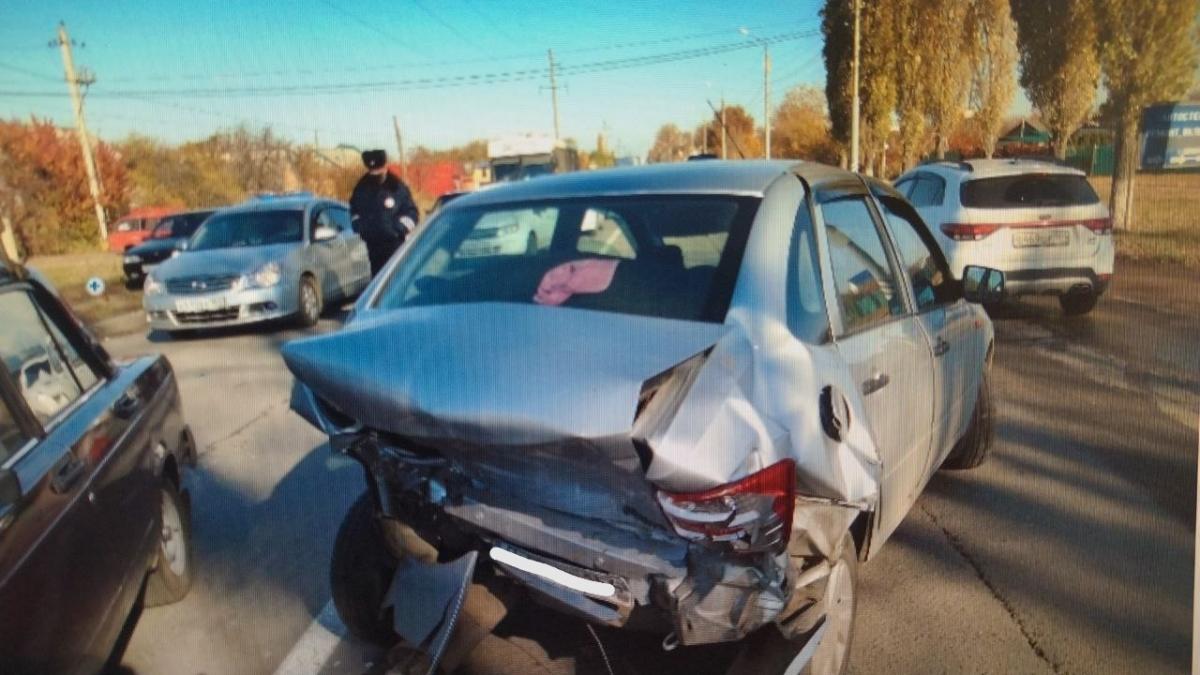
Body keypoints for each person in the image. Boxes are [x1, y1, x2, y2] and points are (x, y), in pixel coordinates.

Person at [349, 149, 419, 275]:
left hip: (395, 246)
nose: (376, 175)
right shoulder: (361, 189)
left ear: (385, 167)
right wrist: (363, 229)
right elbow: (354, 213)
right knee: (379, 284)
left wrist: (397, 229)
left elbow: (412, 212)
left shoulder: (396, 187)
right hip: (373, 247)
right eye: (373, 172)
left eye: (378, 171)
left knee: (397, 279)